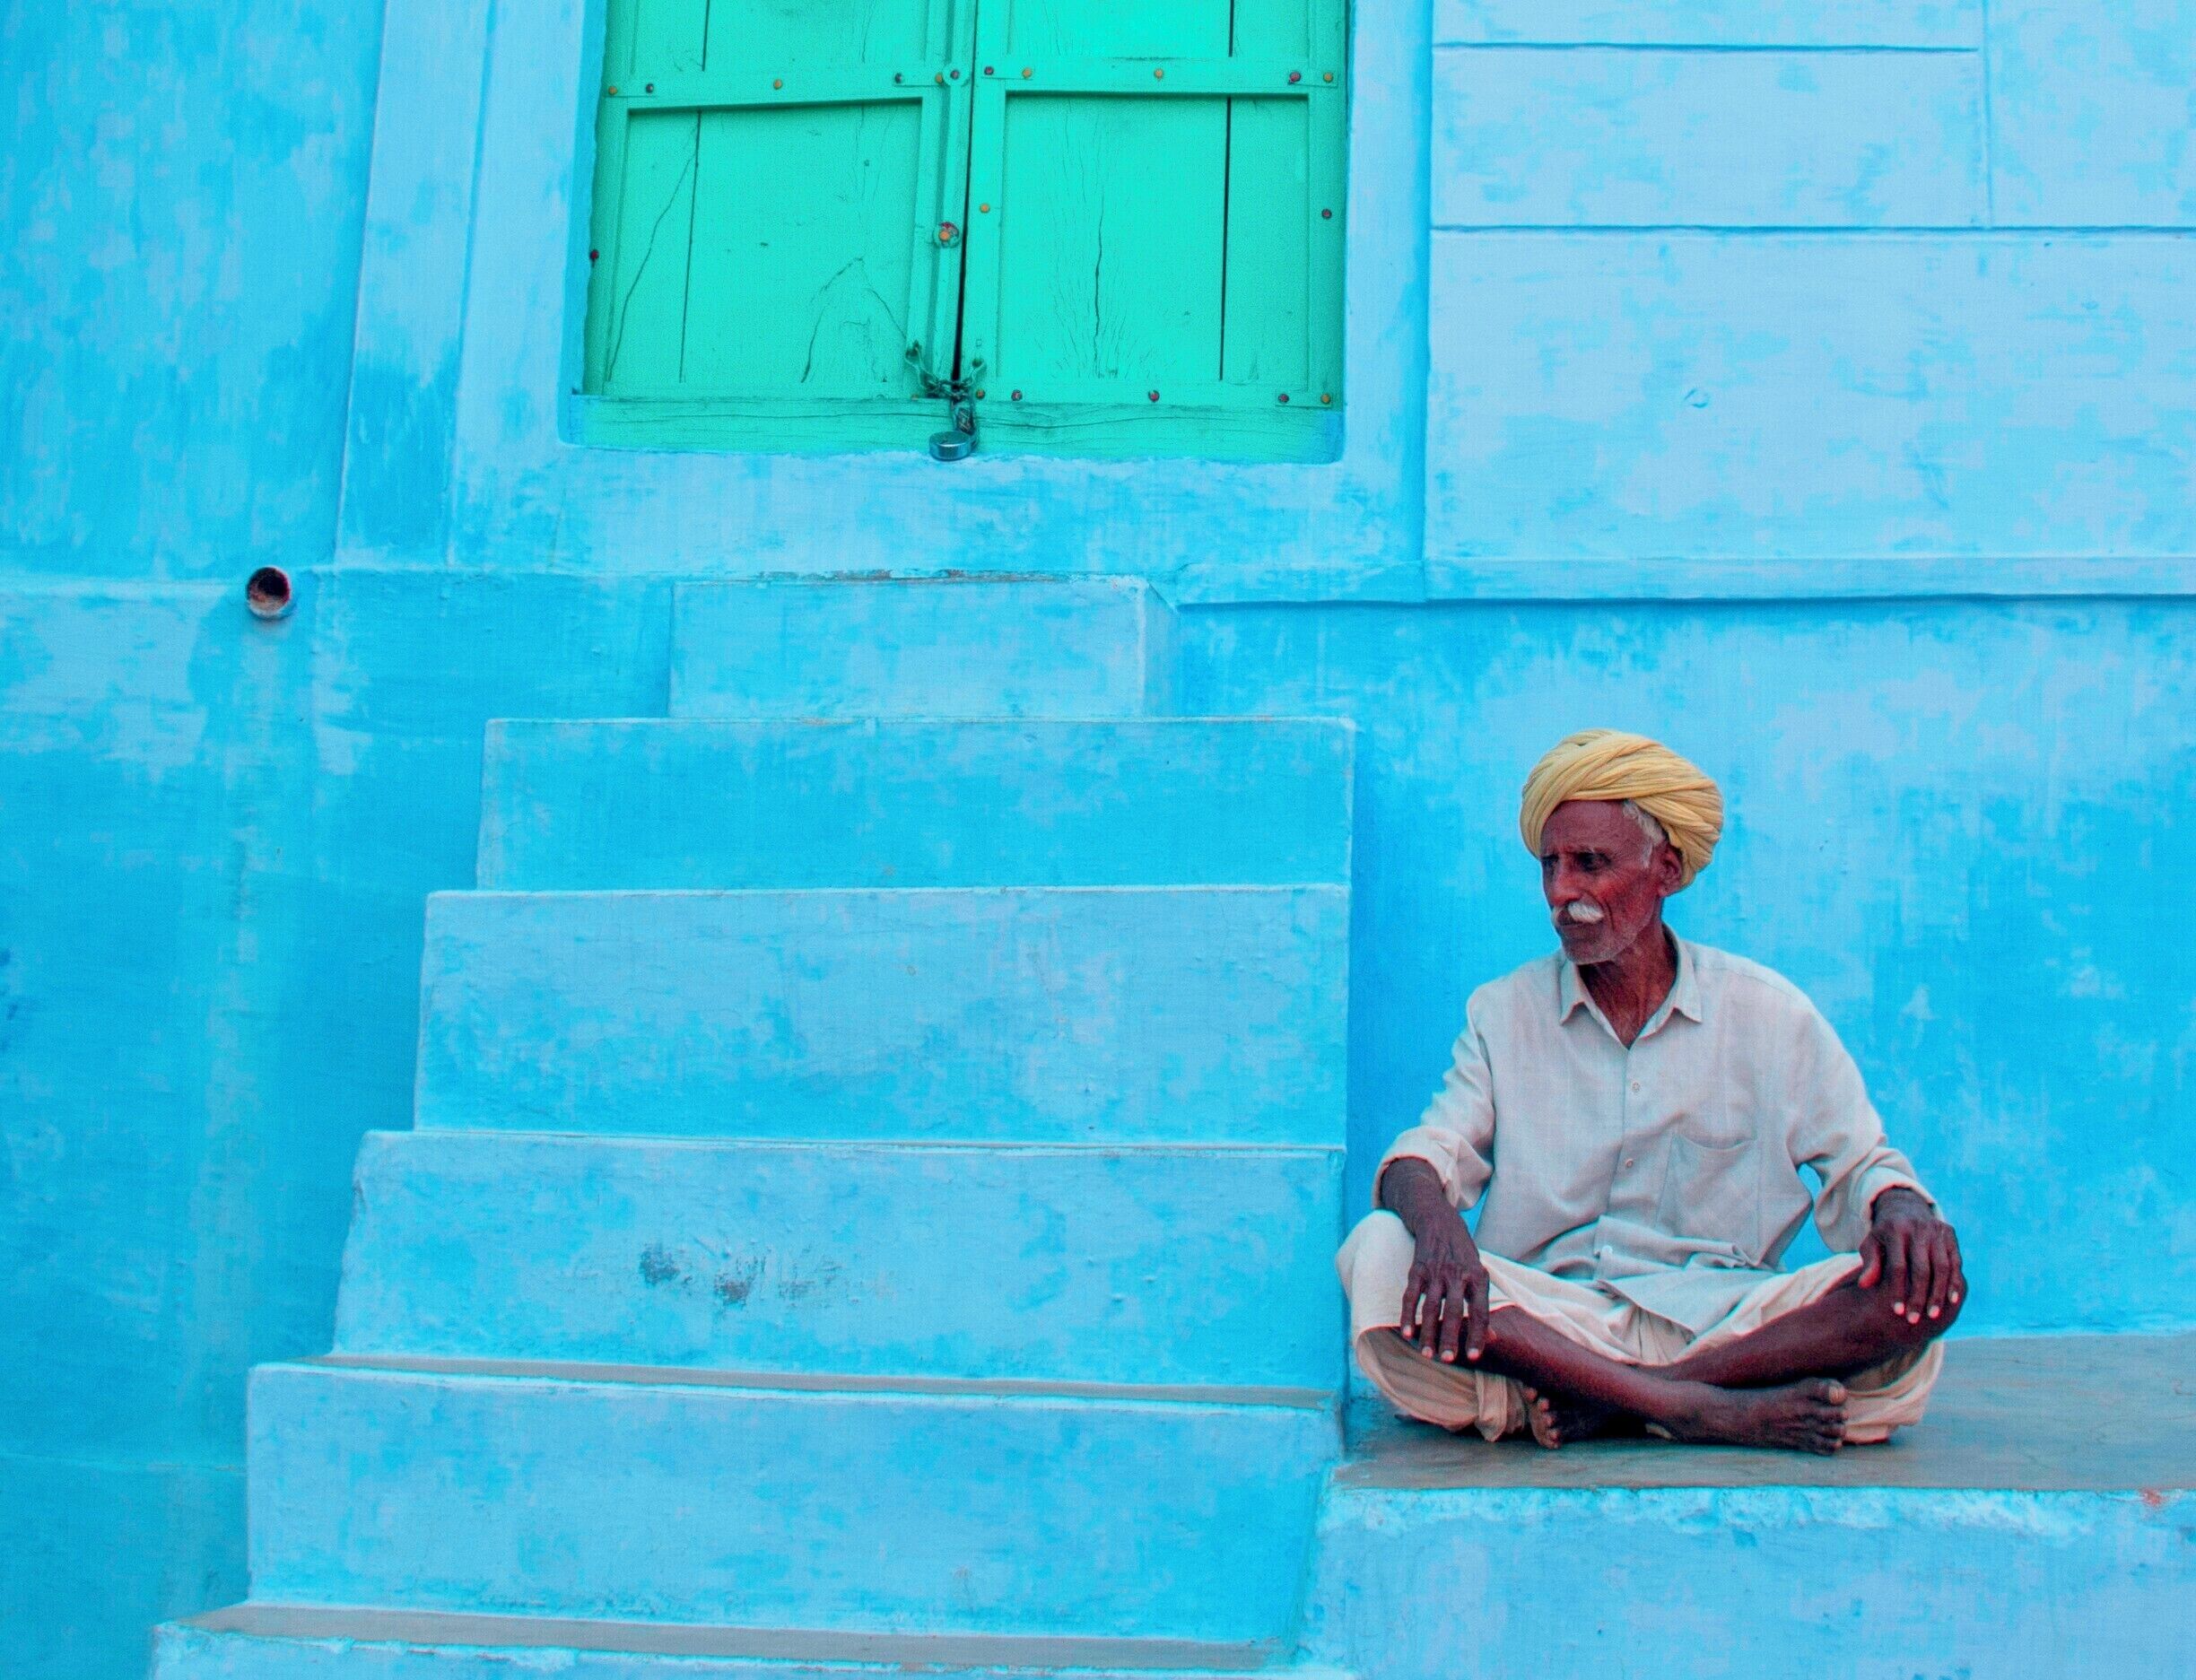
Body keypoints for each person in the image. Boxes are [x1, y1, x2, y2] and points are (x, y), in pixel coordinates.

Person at [1337, 730, 1965, 1453]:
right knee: (1382, 1249)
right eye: (1551, 866)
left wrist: (1903, 1205)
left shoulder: (1769, 1013)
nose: (1562, 892)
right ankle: (1698, 1408)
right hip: (1551, 1324)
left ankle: (1620, 1401)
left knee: (1924, 1289)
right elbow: (1428, 1154)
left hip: (1728, 1320)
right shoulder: (1501, 1013)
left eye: (1590, 864)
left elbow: (1862, 1166)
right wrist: (1443, 1231)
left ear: (1665, 868)